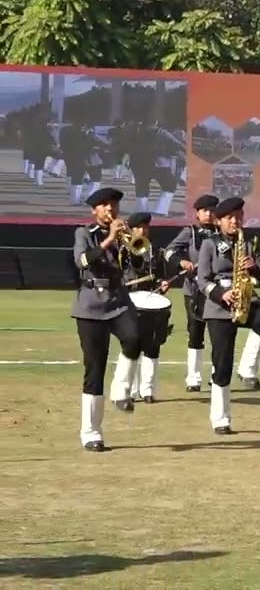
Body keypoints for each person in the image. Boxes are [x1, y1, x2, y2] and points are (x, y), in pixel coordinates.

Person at [72, 187, 142, 451]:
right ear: (95, 210)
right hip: (90, 305)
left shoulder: (123, 234)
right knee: (95, 369)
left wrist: (133, 245)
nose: (110, 209)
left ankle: (121, 389)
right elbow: (82, 261)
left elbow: (136, 266)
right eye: (104, 205)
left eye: (113, 205)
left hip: (119, 300)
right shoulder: (83, 233)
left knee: (135, 338)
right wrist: (109, 239)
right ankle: (91, 432)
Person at [197, 197, 260, 435]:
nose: (235, 222)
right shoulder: (209, 244)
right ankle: (220, 417)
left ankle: (248, 367)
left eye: (238, 217)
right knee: (222, 362)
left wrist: (253, 268)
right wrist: (221, 295)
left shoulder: (249, 243)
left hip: (246, 300)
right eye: (230, 218)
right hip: (220, 306)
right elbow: (203, 281)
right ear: (219, 221)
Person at [163, 193, 219, 392]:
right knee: (195, 333)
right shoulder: (190, 232)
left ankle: (217, 376)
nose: (209, 214)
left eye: (213, 210)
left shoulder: (223, 233)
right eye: (205, 211)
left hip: (217, 291)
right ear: (197, 213)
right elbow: (169, 251)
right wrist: (181, 261)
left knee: (218, 335)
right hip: (193, 289)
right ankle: (194, 378)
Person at [120, 212, 172, 404]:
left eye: (145, 227)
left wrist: (162, 284)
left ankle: (148, 389)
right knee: (132, 345)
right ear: (131, 230)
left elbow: (159, 275)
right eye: (138, 227)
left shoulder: (155, 250)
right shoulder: (122, 250)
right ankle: (130, 390)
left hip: (152, 300)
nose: (143, 231)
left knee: (153, 345)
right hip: (130, 300)